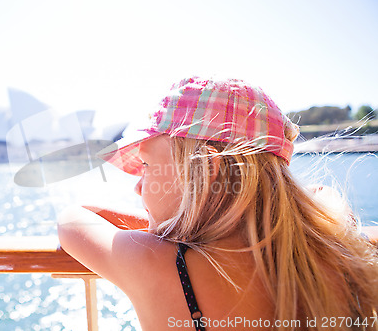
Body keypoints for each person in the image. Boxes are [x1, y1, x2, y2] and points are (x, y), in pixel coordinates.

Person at [57, 76, 378, 330]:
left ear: (205, 172)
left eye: (146, 167)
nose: (138, 187)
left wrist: (171, 228)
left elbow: (74, 220)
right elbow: (324, 195)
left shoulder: (159, 265)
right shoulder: (342, 248)